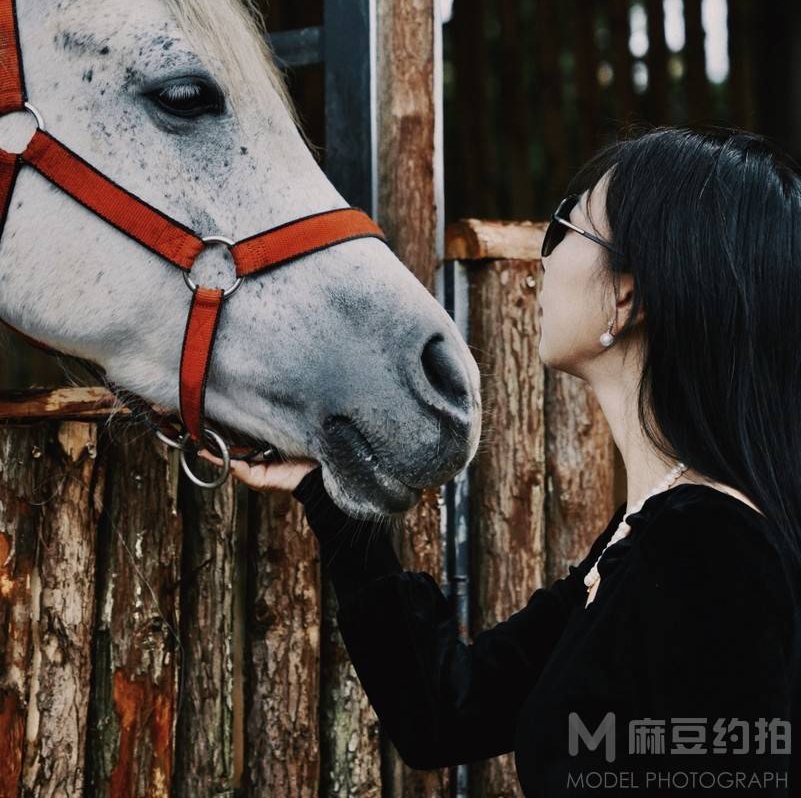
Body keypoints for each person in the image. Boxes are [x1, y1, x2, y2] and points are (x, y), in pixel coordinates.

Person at [203, 126, 800, 795]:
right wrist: (326, 491)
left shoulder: (711, 552)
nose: (546, 260)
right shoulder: (657, 532)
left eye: (565, 227)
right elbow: (446, 712)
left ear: (626, 297)